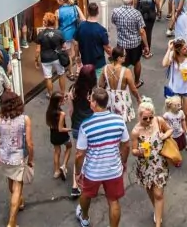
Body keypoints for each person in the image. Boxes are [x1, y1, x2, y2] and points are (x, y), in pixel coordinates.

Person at [75, 88, 130, 227]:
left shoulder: (86, 125)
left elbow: (80, 154)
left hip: (93, 171)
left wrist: (77, 172)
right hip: (113, 169)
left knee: (86, 194)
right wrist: (123, 162)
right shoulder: (119, 120)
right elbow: (126, 145)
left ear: (94, 103)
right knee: (113, 201)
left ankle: (85, 217)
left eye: (91, 99)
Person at [0, 92, 32, 227]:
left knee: (10, 179)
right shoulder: (25, 119)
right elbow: (29, 143)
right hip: (19, 157)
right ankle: (11, 223)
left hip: (4, 156)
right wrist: (31, 158)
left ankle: (19, 201)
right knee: (17, 187)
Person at [130, 98, 170, 227]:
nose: (148, 121)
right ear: (139, 116)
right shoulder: (136, 131)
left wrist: (165, 135)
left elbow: (169, 130)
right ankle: (157, 210)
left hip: (159, 163)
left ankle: (158, 223)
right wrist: (139, 151)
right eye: (145, 118)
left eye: (150, 118)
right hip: (145, 166)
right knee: (150, 190)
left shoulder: (158, 121)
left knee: (158, 194)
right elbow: (133, 151)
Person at [162, 39, 187, 149]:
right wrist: (169, 49)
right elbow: (164, 64)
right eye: (183, 48)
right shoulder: (173, 55)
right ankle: (173, 134)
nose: (186, 49)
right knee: (173, 113)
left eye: (186, 47)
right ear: (177, 50)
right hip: (175, 88)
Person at [68, 66, 97, 199]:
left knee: (79, 154)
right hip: (91, 126)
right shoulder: (95, 93)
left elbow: (71, 111)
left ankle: (75, 185)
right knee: (90, 153)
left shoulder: (73, 90)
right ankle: (89, 181)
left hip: (77, 125)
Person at [112, 0, 149, 86]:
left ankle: (120, 82)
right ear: (132, 1)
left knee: (120, 63)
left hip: (121, 44)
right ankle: (136, 82)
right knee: (136, 62)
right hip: (134, 44)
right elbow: (142, 31)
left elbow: (114, 22)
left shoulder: (116, 11)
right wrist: (146, 46)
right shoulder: (136, 14)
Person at [99, 47, 139, 123]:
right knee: (121, 121)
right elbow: (133, 89)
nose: (125, 57)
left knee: (110, 120)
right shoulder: (126, 71)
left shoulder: (105, 68)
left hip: (109, 97)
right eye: (124, 56)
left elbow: (100, 85)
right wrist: (138, 98)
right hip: (122, 99)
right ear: (118, 58)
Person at [34, 13, 67, 97]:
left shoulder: (40, 35)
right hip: (57, 57)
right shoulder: (59, 33)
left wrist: (36, 60)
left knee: (48, 77)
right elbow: (64, 46)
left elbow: (38, 50)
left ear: (45, 23)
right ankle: (63, 93)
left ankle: (50, 94)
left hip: (45, 59)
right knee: (61, 74)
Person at [76, 2, 111, 79]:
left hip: (85, 62)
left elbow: (76, 43)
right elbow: (107, 47)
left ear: (88, 12)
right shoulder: (101, 30)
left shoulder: (81, 26)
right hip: (99, 63)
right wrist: (113, 56)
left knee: (87, 84)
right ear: (98, 12)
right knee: (99, 86)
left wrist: (77, 56)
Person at [46, 92, 72, 182]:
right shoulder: (61, 114)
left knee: (57, 152)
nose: (64, 100)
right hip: (62, 135)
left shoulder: (49, 111)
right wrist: (70, 129)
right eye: (62, 100)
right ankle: (64, 165)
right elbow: (61, 129)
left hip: (53, 135)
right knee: (69, 146)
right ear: (58, 102)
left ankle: (56, 171)